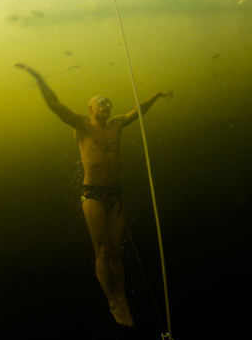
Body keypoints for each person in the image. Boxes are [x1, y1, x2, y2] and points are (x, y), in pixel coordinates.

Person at [16, 62, 173, 326]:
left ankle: (122, 298)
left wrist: (155, 96)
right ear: (90, 108)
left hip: (115, 193)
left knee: (117, 251)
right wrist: (38, 77)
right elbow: (55, 106)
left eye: (108, 103)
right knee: (102, 251)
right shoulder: (80, 124)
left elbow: (138, 111)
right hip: (93, 194)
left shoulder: (117, 124)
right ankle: (111, 299)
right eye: (101, 103)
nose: (106, 106)